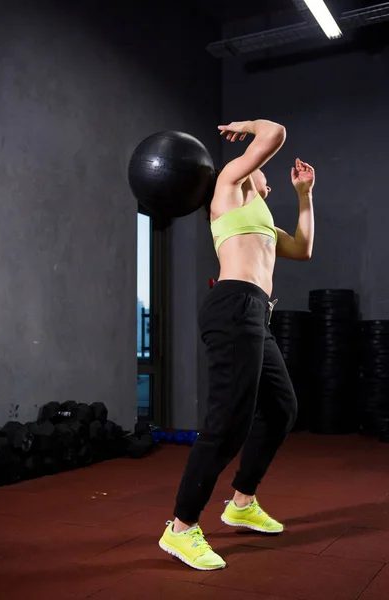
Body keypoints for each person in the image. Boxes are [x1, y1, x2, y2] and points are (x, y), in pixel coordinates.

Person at [159, 118, 315, 570]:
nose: (266, 176)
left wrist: (304, 196)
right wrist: (250, 127)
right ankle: (181, 528)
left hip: (255, 315)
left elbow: (303, 249)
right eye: (259, 168)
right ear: (249, 172)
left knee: (283, 408)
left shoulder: (261, 220)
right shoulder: (228, 185)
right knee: (227, 425)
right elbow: (276, 133)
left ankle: (242, 502)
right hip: (232, 307)